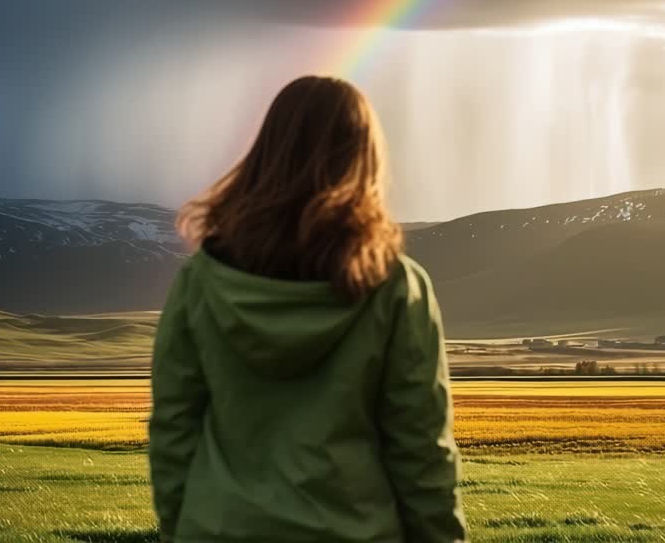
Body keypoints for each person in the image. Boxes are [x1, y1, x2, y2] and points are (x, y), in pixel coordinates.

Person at [148, 75, 467, 542]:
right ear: (364, 162)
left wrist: (185, 528)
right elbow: (421, 448)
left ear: (265, 157)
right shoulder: (397, 288)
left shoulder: (200, 282)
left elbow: (173, 432)